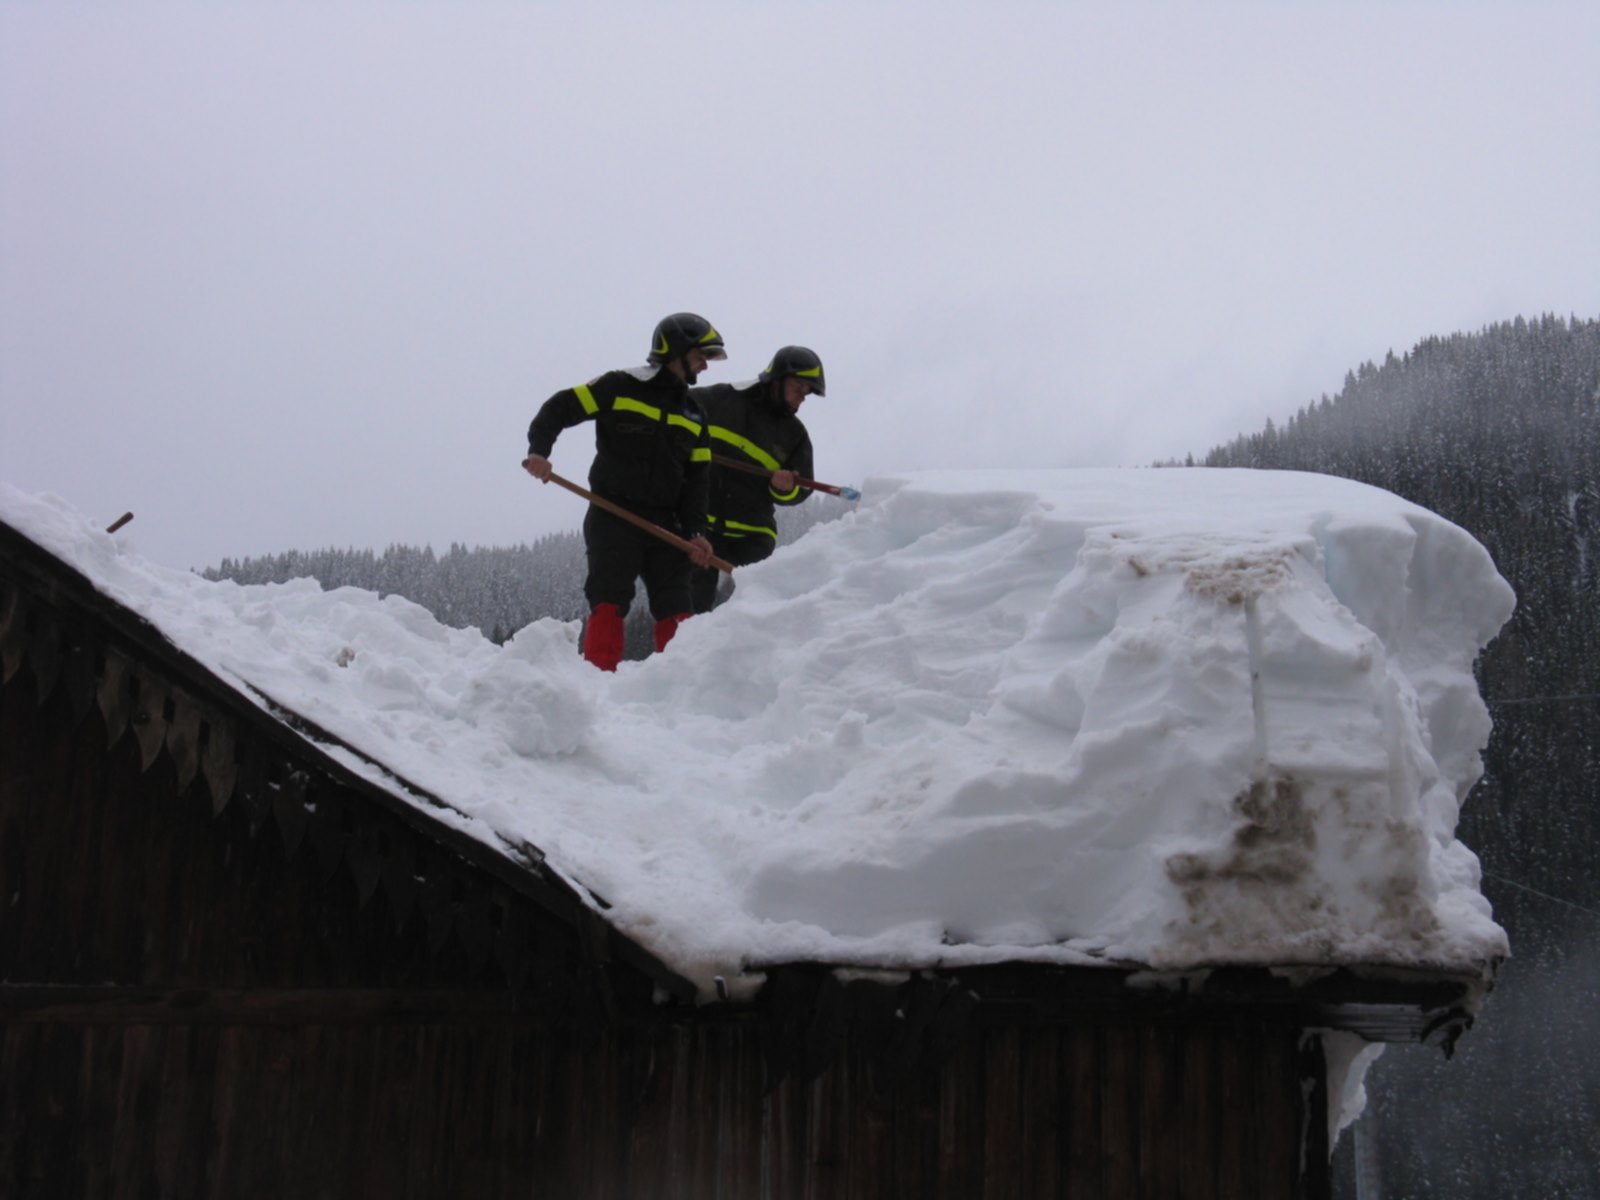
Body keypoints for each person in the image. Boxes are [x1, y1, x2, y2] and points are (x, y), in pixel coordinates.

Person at [522, 313, 724, 671]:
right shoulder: (619, 385)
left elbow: (698, 481)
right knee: (609, 599)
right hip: (613, 514)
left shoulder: (694, 414)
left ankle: (676, 689)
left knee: (678, 607)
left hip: (669, 526)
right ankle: (599, 682)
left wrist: (696, 533)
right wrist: (540, 450)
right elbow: (560, 407)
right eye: (701, 356)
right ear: (675, 349)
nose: (705, 365)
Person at [688, 345, 823, 614]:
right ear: (778, 379)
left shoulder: (794, 435)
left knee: (754, 610)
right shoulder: (717, 400)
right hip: (702, 527)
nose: (802, 398)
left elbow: (801, 490)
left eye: (807, 392)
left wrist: (783, 488)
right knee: (691, 608)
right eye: (799, 387)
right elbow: (671, 414)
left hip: (753, 534)